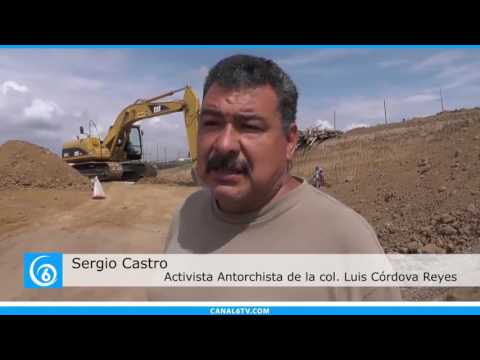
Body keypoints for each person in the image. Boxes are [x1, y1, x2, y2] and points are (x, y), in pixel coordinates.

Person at [149, 54, 401, 301]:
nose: (224, 144)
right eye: (212, 123)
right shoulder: (187, 212)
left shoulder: (346, 240)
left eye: (250, 126)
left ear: (290, 141)